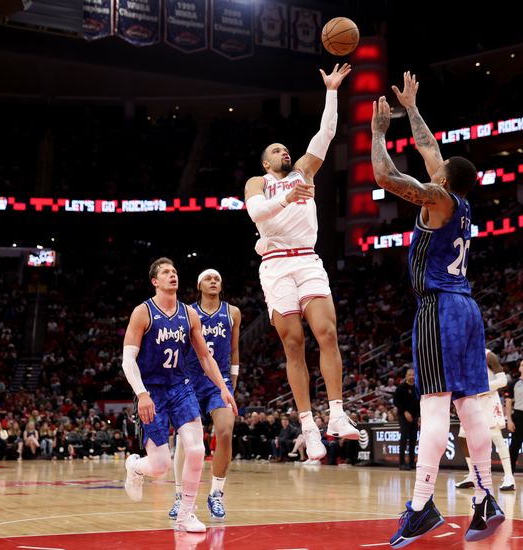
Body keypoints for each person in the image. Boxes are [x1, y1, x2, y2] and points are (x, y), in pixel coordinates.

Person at [371, 73, 503, 547]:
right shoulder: (461, 201)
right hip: (468, 308)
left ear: (445, 179)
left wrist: (379, 134)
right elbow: (430, 152)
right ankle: (486, 496)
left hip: (439, 308)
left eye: (440, 167)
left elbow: (386, 177)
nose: (435, 164)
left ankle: (422, 504)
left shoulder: (440, 199)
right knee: (471, 409)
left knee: (434, 408)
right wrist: (412, 109)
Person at [244, 62, 358, 460]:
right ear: (265, 162)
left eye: (285, 148)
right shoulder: (259, 183)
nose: (284, 151)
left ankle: (338, 415)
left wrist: (331, 90)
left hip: (307, 260)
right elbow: (258, 214)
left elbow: (326, 133)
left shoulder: (305, 170)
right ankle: (309, 426)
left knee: (327, 333)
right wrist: (285, 198)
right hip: (275, 265)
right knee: (294, 343)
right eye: (276, 150)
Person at [121, 257, 238, 534]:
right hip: (151, 391)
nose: (172, 276)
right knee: (160, 465)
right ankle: (136, 467)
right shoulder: (143, 312)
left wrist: (223, 387)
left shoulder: (189, 314)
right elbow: (128, 360)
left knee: (196, 450)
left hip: (181, 387)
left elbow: (205, 357)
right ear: (155, 281)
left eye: (174, 272)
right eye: (165, 272)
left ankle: (186, 513)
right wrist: (142, 394)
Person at [169, 268, 241, 522]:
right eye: (209, 279)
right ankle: (180, 497)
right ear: (199, 285)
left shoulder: (232, 313)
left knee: (224, 430)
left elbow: (234, 350)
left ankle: (216, 494)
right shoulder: (187, 313)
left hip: (218, 382)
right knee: (185, 440)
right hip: (189, 381)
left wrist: (231, 384)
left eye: (217, 279)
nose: (214, 281)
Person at [455, 349, 515, 491]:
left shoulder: (489, 355)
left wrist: (481, 388)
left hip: (488, 399)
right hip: (471, 400)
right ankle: (472, 475)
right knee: (463, 437)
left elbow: (502, 380)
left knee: (495, 436)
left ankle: (509, 477)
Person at [393, 368, 420, 471]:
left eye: (413, 375)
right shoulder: (401, 387)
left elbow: (419, 404)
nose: (411, 377)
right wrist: (405, 411)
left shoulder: (417, 388)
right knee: (404, 439)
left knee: (413, 440)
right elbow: (396, 402)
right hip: (403, 416)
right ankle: (402, 463)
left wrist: (419, 416)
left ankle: (412, 462)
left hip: (414, 416)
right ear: (406, 376)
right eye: (409, 375)